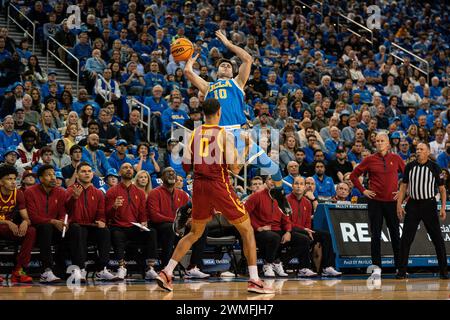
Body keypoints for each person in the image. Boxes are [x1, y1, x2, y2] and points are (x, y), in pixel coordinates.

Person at [155, 98, 274, 294]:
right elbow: (236, 168)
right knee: (247, 230)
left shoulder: (193, 134)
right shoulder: (223, 135)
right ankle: (254, 280)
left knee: (194, 233)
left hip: (199, 186)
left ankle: (167, 272)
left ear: (203, 113)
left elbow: (185, 166)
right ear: (219, 112)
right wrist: (246, 147)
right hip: (218, 184)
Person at [183, 30, 291, 216]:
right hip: (215, 135)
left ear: (233, 71)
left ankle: (279, 192)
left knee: (273, 168)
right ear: (216, 72)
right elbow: (187, 72)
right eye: (222, 65)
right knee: (210, 179)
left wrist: (227, 44)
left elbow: (248, 59)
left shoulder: (238, 83)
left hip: (237, 134)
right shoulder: (209, 86)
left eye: (228, 65)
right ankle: (187, 209)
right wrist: (189, 61)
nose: (225, 66)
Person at [350, 132, 405, 276]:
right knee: (375, 235)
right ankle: (376, 267)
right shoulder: (369, 160)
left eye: (382, 141)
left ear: (388, 143)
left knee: (395, 235)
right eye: (377, 141)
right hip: (375, 202)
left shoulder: (396, 158)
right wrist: (363, 190)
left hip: (392, 203)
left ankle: (400, 268)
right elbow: (353, 176)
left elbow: (408, 177)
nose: (379, 143)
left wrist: (402, 193)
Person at [396, 143, 448, 279]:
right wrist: (399, 204)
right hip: (412, 205)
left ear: (428, 151)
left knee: (437, 239)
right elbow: (403, 187)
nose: (418, 151)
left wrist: (442, 207)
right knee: (406, 239)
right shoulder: (409, 166)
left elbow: (442, 190)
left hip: (429, 205)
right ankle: (401, 271)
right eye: (417, 149)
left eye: (421, 149)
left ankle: (444, 271)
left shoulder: (436, 167)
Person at [148, 167, 209, 278]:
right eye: (168, 173)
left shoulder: (182, 194)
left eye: (173, 174)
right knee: (169, 228)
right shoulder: (154, 193)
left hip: (179, 228)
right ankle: (166, 268)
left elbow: (190, 212)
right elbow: (154, 216)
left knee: (201, 229)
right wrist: (177, 221)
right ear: (161, 178)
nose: (171, 175)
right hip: (161, 228)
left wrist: (191, 220)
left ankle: (192, 267)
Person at [245, 176, 311, 278]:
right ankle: (267, 265)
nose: (273, 182)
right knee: (275, 237)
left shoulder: (281, 198)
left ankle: (278, 262)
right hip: (260, 232)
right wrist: (258, 227)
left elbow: (286, 218)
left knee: (304, 240)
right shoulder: (256, 196)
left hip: (277, 230)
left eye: (275, 180)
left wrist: (288, 231)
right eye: (270, 179)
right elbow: (245, 214)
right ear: (266, 181)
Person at [105, 162, 158, 281]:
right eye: (125, 168)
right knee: (117, 234)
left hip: (134, 226)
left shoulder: (139, 192)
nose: (128, 169)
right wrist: (114, 207)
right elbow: (107, 215)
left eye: (130, 168)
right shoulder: (112, 191)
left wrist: (143, 222)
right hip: (117, 226)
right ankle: (121, 267)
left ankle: (150, 268)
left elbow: (142, 212)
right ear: (120, 172)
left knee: (151, 232)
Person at [65, 162, 117, 282]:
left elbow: (101, 213)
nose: (87, 173)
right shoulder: (69, 190)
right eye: (83, 171)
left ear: (93, 174)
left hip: (91, 226)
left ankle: (102, 269)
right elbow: (67, 210)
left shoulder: (98, 193)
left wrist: (102, 221)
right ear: (77, 175)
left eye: (89, 171)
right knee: (78, 229)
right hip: (75, 226)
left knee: (105, 231)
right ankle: (78, 270)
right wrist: (74, 198)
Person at [288, 176, 342, 277]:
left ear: (304, 187)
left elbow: (308, 221)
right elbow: (286, 222)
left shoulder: (307, 203)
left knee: (326, 235)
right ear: (292, 186)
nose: (298, 186)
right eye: (296, 184)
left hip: (305, 230)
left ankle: (327, 267)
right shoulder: (286, 200)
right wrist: (305, 230)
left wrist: (308, 230)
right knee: (304, 237)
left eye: (301, 184)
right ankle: (303, 268)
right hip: (291, 230)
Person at [25, 164, 67, 283]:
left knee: (73, 229)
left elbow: (63, 213)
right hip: (37, 230)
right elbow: (33, 217)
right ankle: (46, 271)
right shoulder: (30, 192)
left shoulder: (61, 192)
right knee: (46, 227)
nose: (53, 177)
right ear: (41, 178)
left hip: (54, 229)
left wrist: (64, 222)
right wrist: (52, 221)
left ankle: (68, 269)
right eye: (49, 175)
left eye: (54, 174)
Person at [0, 165, 36, 283]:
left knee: (31, 231)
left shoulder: (18, 193)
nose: (13, 182)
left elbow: (26, 216)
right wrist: (7, 222)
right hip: (4, 226)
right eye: (9, 179)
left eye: (14, 179)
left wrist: (25, 222)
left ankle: (19, 270)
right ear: (1, 181)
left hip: (9, 229)